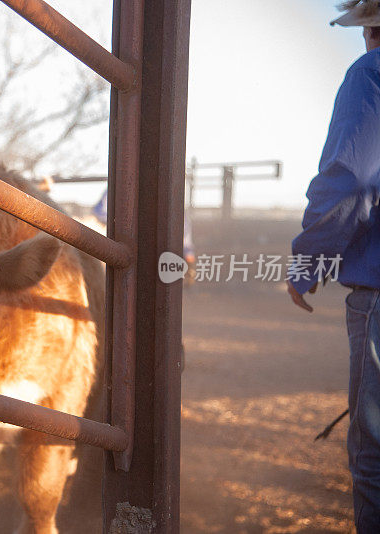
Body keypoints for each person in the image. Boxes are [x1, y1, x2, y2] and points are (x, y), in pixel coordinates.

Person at [288, 2, 380, 531]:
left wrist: (309, 260)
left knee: (376, 457)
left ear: (370, 27)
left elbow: (350, 181)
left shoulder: (371, 74)